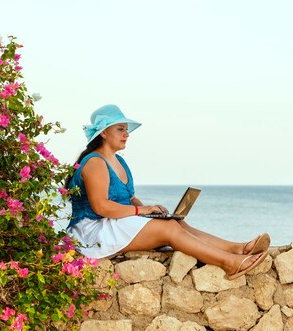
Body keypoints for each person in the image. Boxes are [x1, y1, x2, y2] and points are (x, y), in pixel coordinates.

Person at [65, 104, 270, 280]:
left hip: (114, 223)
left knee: (176, 223)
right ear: (103, 132)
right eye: (120, 129)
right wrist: (142, 211)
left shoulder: (120, 162)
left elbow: (128, 198)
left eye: (126, 130)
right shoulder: (94, 162)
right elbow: (102, 206)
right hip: (93, 231)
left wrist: (150, 212)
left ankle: (237, 248)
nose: (126, 134)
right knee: (169, 230)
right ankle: (230, 263)